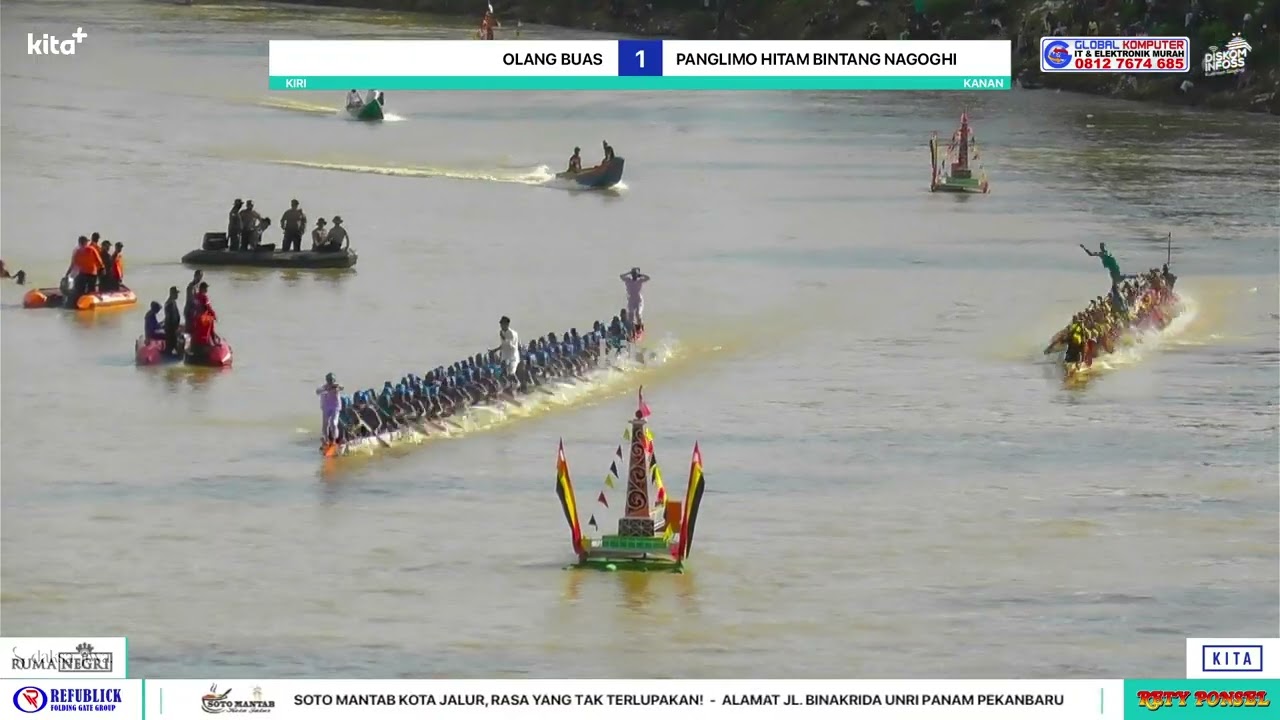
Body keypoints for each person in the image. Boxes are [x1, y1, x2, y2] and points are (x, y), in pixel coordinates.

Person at [317, 373, 344, 444]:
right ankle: (326, 440)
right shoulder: (324, 387)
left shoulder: (336, 386)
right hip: (326, 407)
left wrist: (336, 388)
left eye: (332, 380)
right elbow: (317, 391)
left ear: (334, 380)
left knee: (333, 423)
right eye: (329, 380)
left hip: (335, 407)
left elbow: (341, 387)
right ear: (327, 380)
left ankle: (334, 440)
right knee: (325, 424)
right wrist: (324, 389)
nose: (330, 382)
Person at [163, 286, 182, 356]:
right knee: (171, 345)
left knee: (172, 345)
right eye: (176, 293)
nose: (177, 295)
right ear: (172, 293)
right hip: (171, 329)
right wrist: (175, 328)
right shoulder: (170, 304)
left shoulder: (172, 302)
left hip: (172, 328)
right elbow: (170, 317)